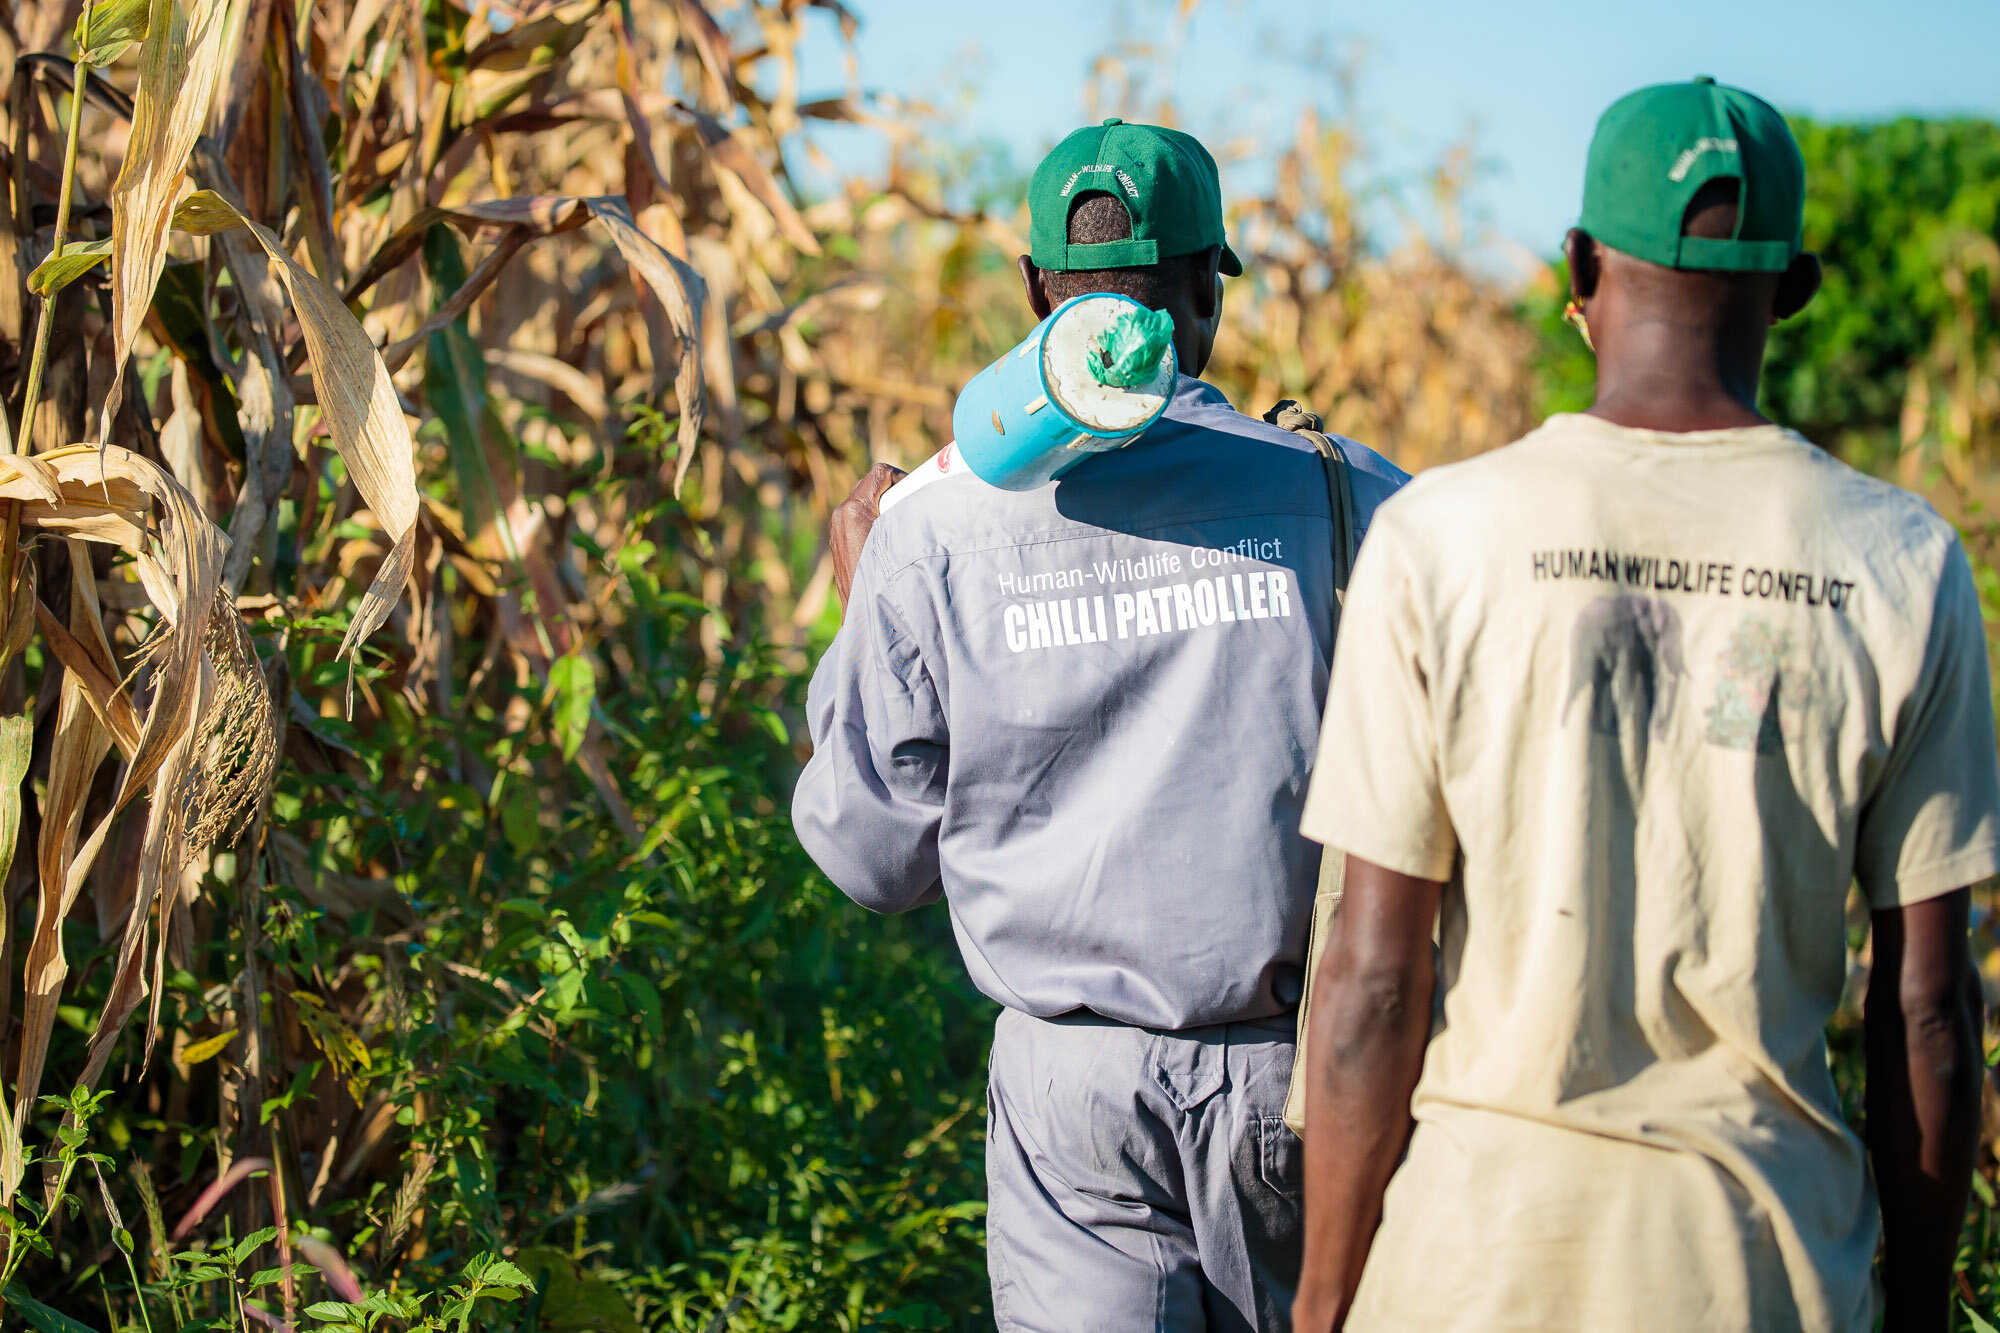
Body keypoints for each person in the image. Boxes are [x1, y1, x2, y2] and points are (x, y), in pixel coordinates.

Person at [1289, 77, 2000, 1333]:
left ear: (1577, 266)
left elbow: (1370, 977)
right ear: (1792, 286)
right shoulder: (1898, 562)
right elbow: (1928, 1005)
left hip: (1473, 1263)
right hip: (1761, 1269)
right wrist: (1921, 1312)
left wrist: (1324, 1302)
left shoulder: (1439, 538)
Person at [793, 118, 1408, 1331]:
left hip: (1066, 1091)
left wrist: (864, 595)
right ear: (1203, 291)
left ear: (1033, 291)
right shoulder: (1352, 500)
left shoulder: (929, 528)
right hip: (1303, 1080)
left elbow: (870, 858)